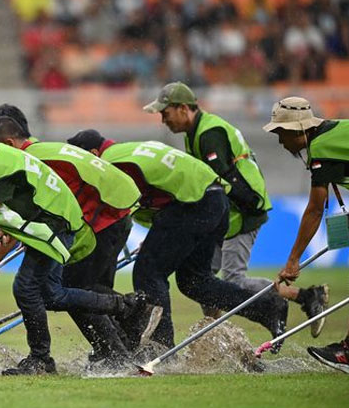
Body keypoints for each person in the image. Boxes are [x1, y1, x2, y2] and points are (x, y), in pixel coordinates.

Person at [0, 117, 159, 375]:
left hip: (56, 222)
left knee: (26, 288)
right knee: (52, 294)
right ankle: (127, 307)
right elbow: (2, 216)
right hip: (44, 220)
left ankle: (41, 358)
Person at [69, 130, 289, 352]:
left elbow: (114, 215)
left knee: (148, 273)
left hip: (193, 203)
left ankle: (160, 348)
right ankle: (268, 308)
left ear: (94, 153)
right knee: (195, 282)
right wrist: (160, 235)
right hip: (215, 198)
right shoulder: (128, 149)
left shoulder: (109, 162)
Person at [144, 82, 328, 335]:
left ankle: (297, 299)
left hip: (242, 210)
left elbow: (218, 181)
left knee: (229, 279)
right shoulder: (199, 131)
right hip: (232, 211)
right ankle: (215, 330)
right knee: (203, 277)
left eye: (165, 113)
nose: (163, 120)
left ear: (183, 108)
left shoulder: (208, 134)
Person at [0, 115, 146, 367]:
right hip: (117, 210)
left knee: (71, 286)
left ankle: (116, 348)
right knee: (84, 286)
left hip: (105, 214)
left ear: (9, 143)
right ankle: (127, 331)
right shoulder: (42, 149)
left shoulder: (30, 159)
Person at [263, 96, 349, 373]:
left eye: (282, 134)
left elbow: (314, 209)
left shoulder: (322, 146)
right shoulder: (337, 133)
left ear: (299, 130)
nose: (280, 142)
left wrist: (293, 260)